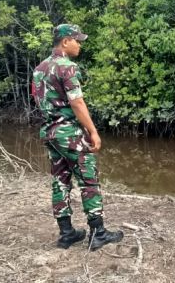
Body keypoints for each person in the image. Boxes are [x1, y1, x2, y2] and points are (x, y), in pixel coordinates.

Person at [31, 23, 123, 250]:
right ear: (65, 42)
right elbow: (77, 102)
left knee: (60, 181)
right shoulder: (67, 67)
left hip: (50, 132)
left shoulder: (39, 69)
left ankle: (67, 233)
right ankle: (98, 233)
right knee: (88, 180)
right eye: (77, 40)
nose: (80, 44)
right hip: (69, 133)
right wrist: (93, 131)